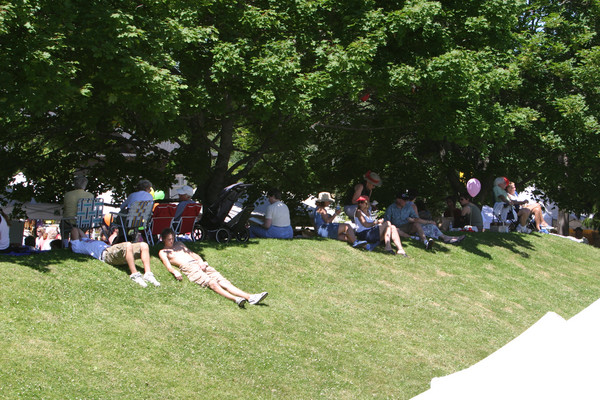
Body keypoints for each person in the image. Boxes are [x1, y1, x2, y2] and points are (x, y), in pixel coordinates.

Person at [158, 228, 268, 308]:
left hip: (197, 263)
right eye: (169, 239)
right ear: (163, 240)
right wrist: (175, 272)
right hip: (189, 268)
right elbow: (168, 266)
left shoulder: (180, 244)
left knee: (223, 281)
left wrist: (201, 261)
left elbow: (193, 254)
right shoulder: (163, 252)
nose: (171, 241)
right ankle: (236, 299)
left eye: (172, 238)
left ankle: (250, 297)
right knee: (212, 283)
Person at [69, 227, 160, 287]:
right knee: (127, 245)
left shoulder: (85, 240)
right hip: (106, 254)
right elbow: (74, 230)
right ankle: (134, 274)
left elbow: (78, 230)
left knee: (144, 245)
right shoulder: (77, 246)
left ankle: (148, 274)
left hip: (111, 249)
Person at [384, 193, 465, 249]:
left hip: (408, 226)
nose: (405, 202)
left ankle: (425, 242)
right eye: (403, 200)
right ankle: (415, 238)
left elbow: (416, 218)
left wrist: (415, 220)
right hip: (398, 228)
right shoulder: (391, 208)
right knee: (394, 229)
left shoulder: (408, 207)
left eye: (406, 200)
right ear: (398, 200)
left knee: (418, 224)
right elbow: (386, 222)